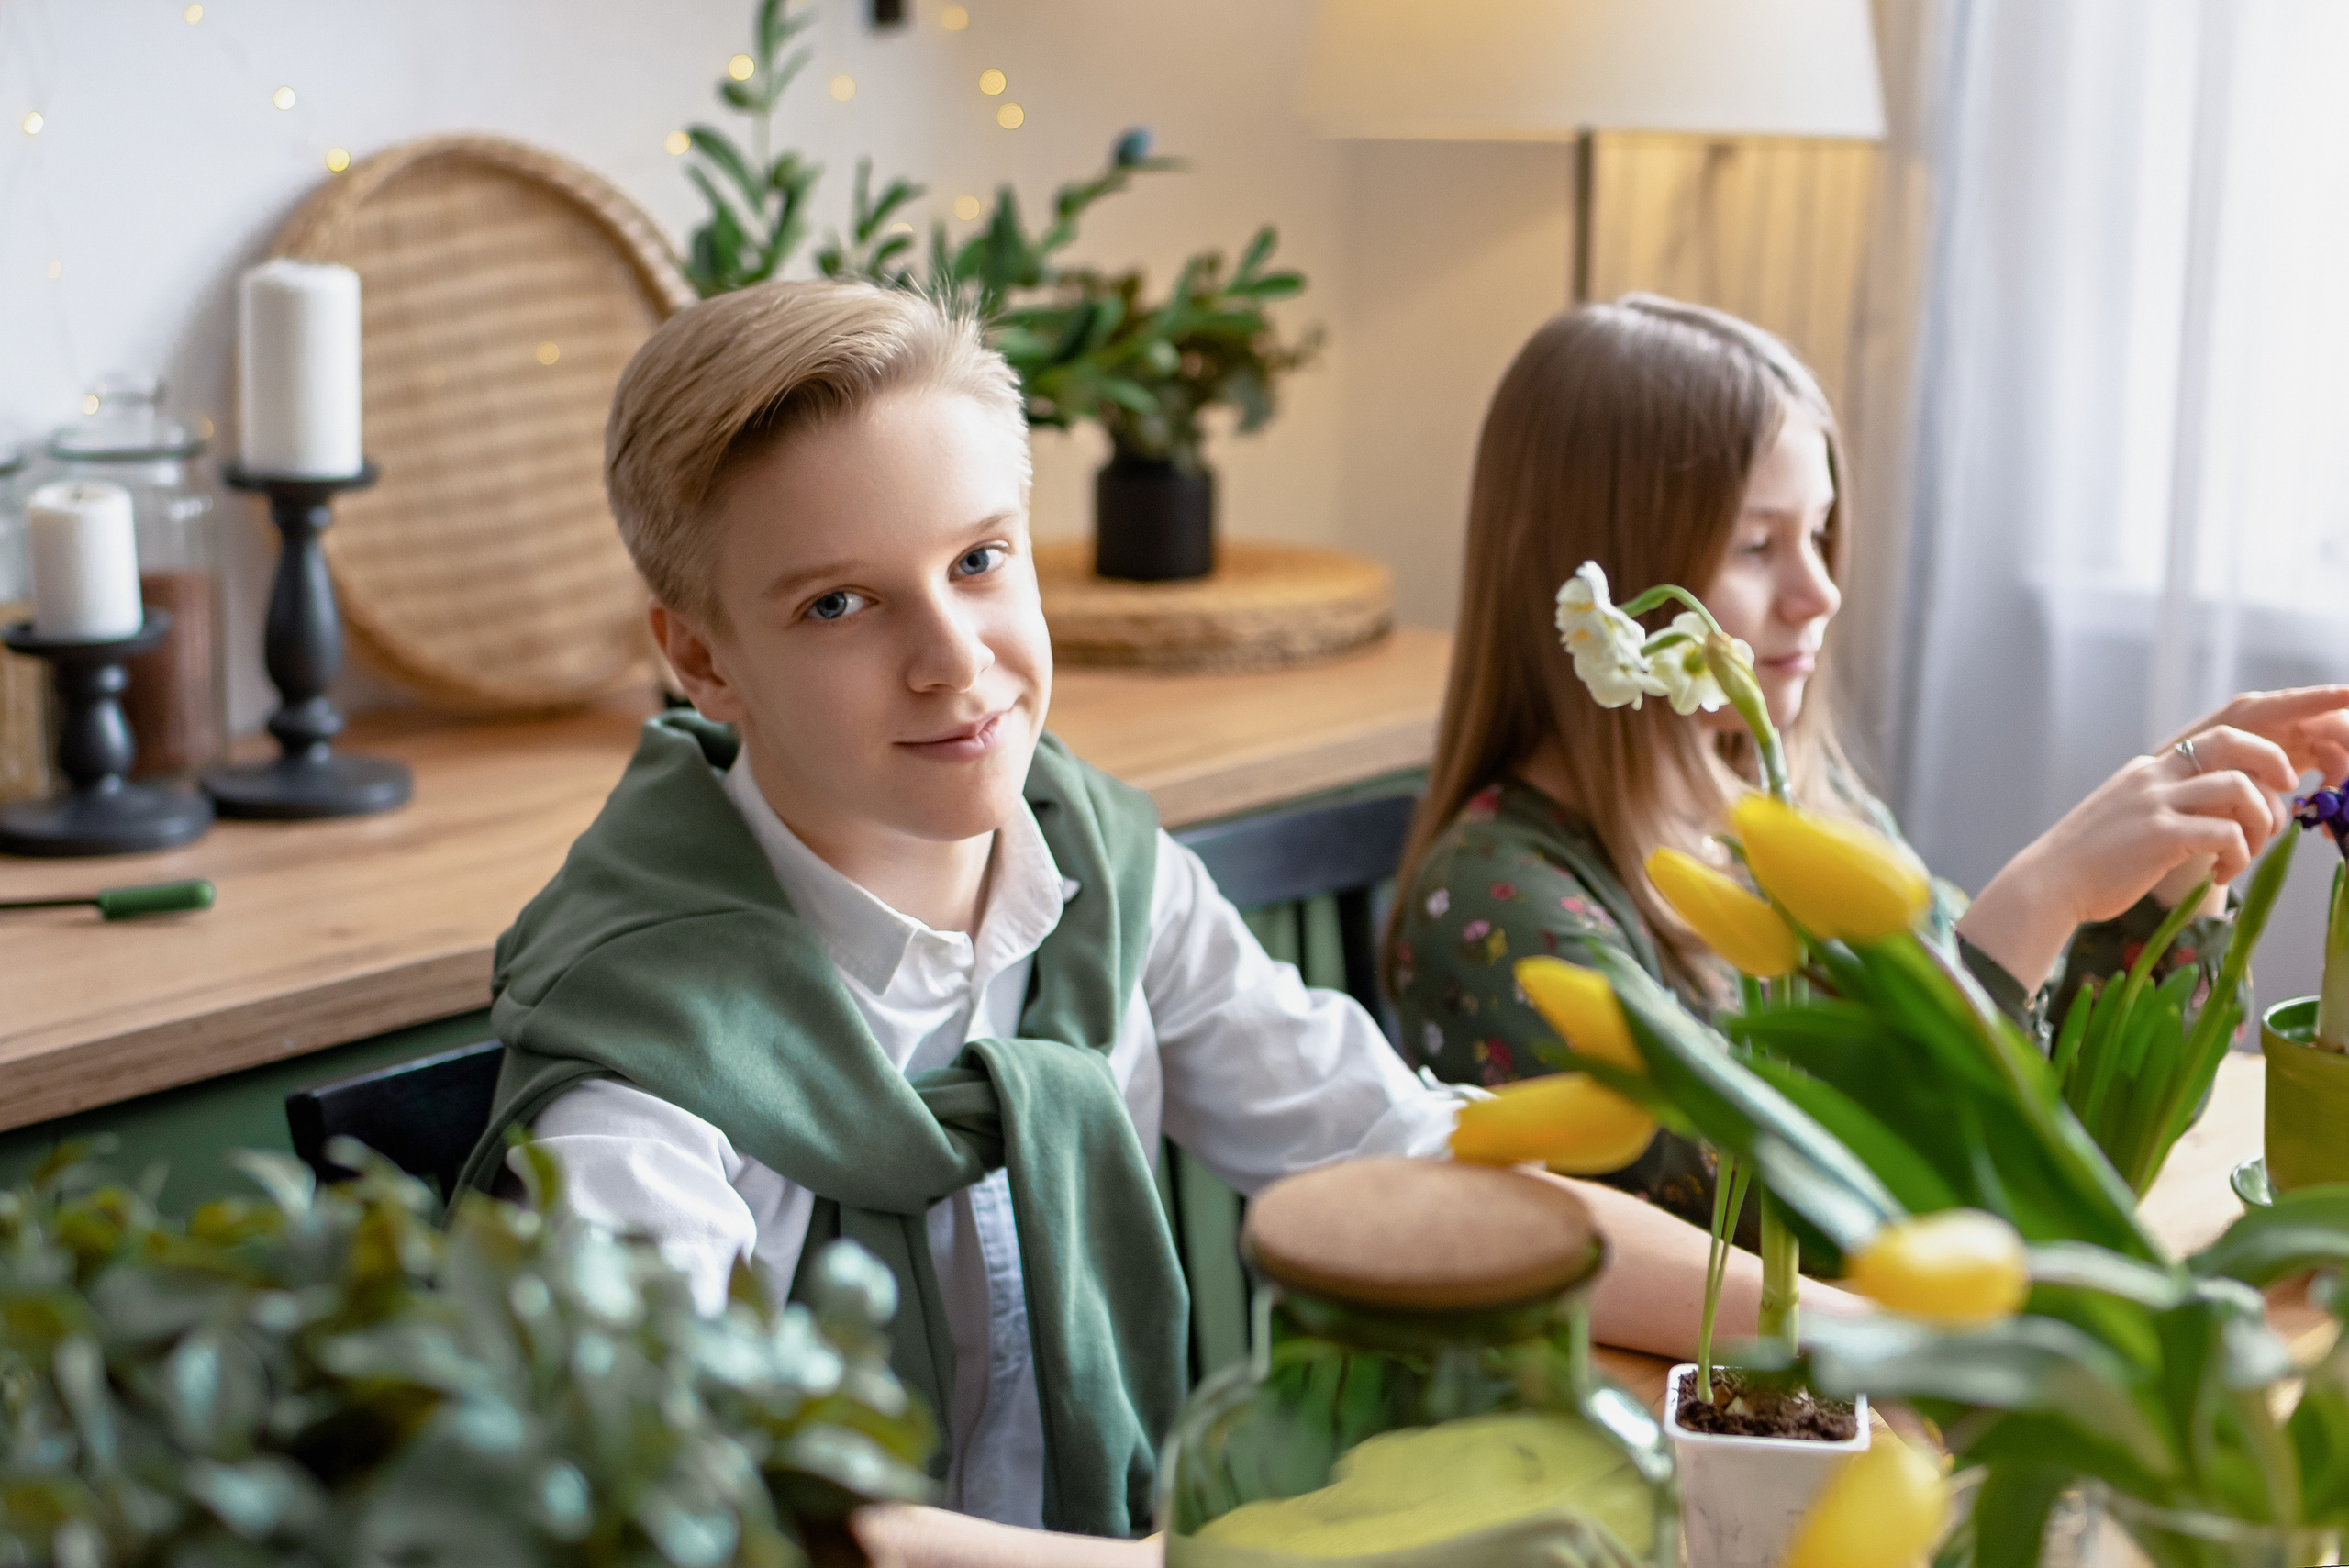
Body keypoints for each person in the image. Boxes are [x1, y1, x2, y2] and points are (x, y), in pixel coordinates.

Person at [456, 281, 1845, 1568]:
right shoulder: (638, 1057)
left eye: (981, 560)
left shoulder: (1104, 874)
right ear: (701, 657)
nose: (955, 658)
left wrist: (1877, 1334)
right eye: (839, 602)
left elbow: (1418, 1167)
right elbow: (710, 1501)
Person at [1390, 294, 2349, 1233]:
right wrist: (2035, 899)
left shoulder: (1804, 810)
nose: (1820, 591)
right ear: (1605, 572)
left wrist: (2172, 878)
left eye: (1819, 531)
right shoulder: (1493, 903)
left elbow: (2068, 1161)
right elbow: (1784, 1238)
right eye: (1758, 544)